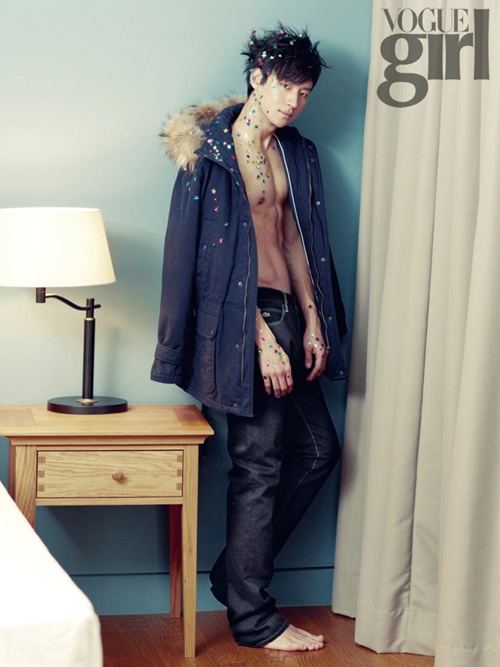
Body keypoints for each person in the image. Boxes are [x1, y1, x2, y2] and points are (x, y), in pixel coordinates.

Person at [151, 24, 348, 651]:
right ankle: (254, 619)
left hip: (289, 310)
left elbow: (295, 238)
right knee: (258, 464)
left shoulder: (296, 153)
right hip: (240, 323)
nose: (294, 101)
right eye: (286, 86)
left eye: (305, 92)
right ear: (258, 78)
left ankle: (234, 577)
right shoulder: (209, 153)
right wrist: (258, 338)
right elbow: (201, 260)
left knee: (318, 451)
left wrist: (313, 320)